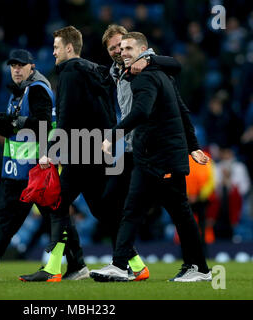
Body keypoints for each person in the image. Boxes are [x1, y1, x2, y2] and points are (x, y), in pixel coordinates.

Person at [0, 49, 87, 280]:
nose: (16, 69)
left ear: (31, 67)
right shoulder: (20, 91)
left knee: (42, 220)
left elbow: (44, 123)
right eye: (13, 66)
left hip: (35, 170)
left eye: (21, 65)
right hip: (19, 170)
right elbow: (19, 130)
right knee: (27, 220)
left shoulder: (36, 90)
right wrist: (5, 125)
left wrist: (13, 122)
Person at [91, 32, 212, 282]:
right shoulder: (160, 75)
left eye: (128, 48)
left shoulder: (144, 77)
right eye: (120, 48)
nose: (123, 52)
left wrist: (112, 135)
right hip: (160, 155)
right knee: (155, 211)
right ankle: (195, 267)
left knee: (148, 210)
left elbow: (141, 111)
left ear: (145, 51)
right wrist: (193, 146)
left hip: (159, 157)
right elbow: (181, 110)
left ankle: (124, 265)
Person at [19, 26, 118, 282]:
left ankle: (53, 267)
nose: (53, 53)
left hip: (80, 153)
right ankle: (133, 262)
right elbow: (106, 112)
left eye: (56, 47)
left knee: (57, 204)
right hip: (94, 151)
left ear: (69, 48)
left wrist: (51, 151)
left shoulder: (70, 72)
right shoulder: (95, 71)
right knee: (101, 210)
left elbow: (66, 116)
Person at [97, 24, 183, 280]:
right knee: (114, 202)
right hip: (133, 146)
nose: (117, 51)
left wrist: (148, 59)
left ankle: (125, 263)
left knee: (154, 207)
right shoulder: (115, 71)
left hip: (151, 147)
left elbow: (176, 65)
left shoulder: (147, 63)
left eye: (121, 45)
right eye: (112, 47)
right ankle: (131, 262)